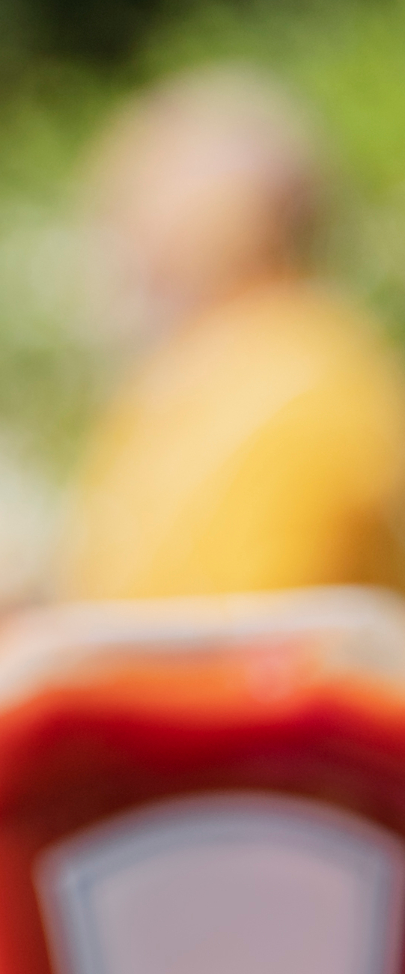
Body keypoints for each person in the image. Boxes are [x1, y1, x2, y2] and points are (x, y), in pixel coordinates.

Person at [60, 68, 405, 606]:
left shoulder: (300, 381)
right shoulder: (193, 377)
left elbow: (238, 644)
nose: (113, 227)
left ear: (227, 213)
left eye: (138, 192)